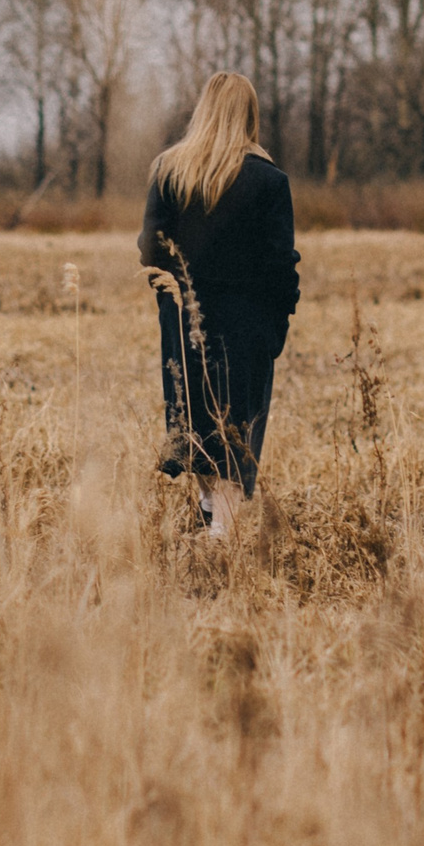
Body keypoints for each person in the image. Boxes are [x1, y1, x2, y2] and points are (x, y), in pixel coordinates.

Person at [138, 71, 299, 538]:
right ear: (250, 116)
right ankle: (221, 539)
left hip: (186, 323)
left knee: (197, 428)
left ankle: (213, 523)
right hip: (245, 330)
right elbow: (280, 266)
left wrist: (175, 302)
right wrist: (275, 327)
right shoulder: (268, 181)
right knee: (235, 435)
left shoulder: (169, 171)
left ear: (203, 110)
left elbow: (151, 249)